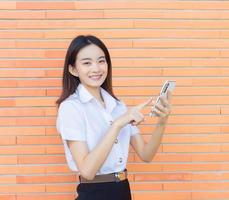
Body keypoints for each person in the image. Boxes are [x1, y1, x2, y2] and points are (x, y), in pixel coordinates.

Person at [56, 35, 172, 200]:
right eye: (87, 63)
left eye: (101, 61)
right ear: (73, 69)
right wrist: (117, 125)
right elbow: (87, 171)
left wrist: (162, 121)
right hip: (94, 193)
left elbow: (146, 155)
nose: (96, 68)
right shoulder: (71, 107)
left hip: (122, 191)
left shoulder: (118, 106)